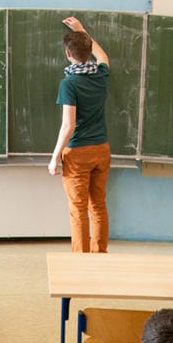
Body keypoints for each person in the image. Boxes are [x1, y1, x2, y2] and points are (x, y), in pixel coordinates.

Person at [50, 16, 111, 254]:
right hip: (102, 150)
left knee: (78, 209)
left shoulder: (70, 83)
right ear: (88, 51)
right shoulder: (101, 75)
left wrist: (54, 157)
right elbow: (103, 56)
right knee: (98, 206)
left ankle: (80, 262)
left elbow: (68, 125)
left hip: (78, 153)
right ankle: (100, 254)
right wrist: (83, 31)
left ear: (67, 53)